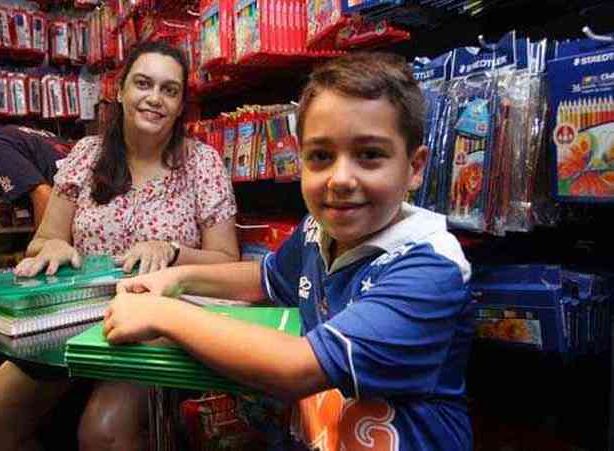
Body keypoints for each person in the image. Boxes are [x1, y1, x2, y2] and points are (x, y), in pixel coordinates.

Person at [106, 52, 474, 450]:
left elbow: (298, 367)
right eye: (320, 156)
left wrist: (164, 313)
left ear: (414, 167)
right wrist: (175, 277)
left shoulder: (430, 268)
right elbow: (263, 278)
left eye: (369, 155)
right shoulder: (320, 230)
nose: (340, 179)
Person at [0, 40, 240, 451]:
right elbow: (44, 242)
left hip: (157, 322)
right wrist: (53, 246)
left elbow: (228, 263)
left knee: (104, 432)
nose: (154, 98)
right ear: (121, 90)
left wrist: (171, 249)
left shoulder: (203, 162)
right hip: (74, 318)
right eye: (143, 84)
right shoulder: (86, 155)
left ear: (182, 104)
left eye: (170, 90)